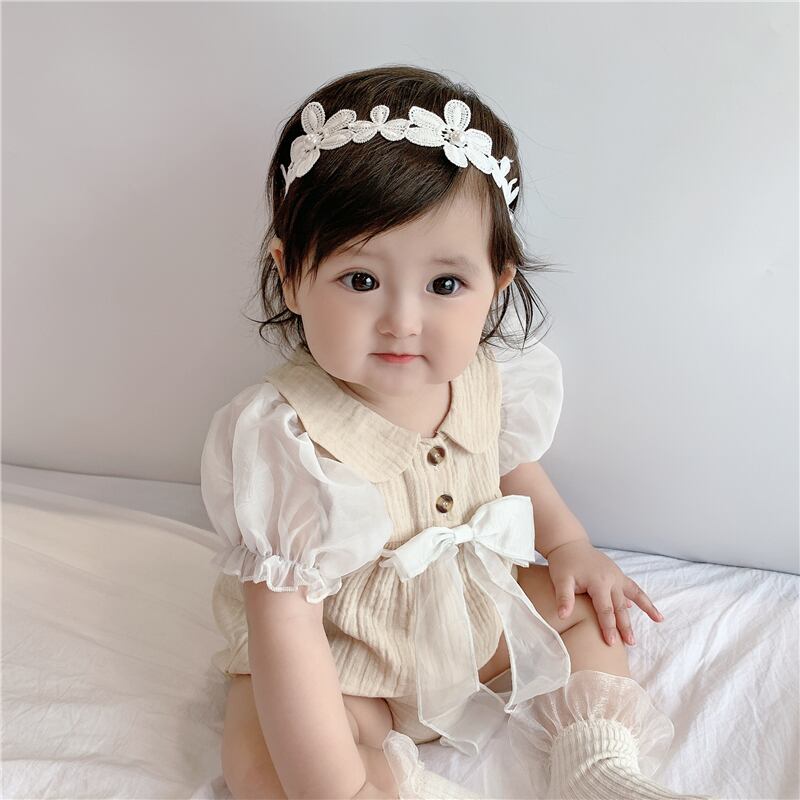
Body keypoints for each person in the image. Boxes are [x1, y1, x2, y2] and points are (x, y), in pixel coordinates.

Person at [200, 64, 717, 800]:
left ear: (496, 284)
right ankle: (377, 787)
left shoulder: (486, 378)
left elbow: (513, 470)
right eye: (360, 280)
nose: (402, 321)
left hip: (474, 616)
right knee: (268, 760)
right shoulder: (283, 436)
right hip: (344, 656)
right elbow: (284, 622)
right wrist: (334, 783)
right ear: (290, 274)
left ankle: (596, 765)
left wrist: (569, 546)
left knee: (587, 615)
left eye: (445, 285)